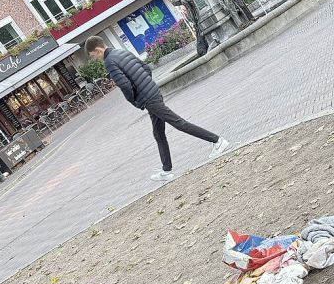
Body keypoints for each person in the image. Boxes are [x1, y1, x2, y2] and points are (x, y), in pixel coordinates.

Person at [84, 35, 229, 181]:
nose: (95, 59)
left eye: (93, 56)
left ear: (97, 50)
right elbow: (146, 68)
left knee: (179, 123)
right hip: (153, 92)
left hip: (148, 98)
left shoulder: (109, 61)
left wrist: (135, 100)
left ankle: (217, 140)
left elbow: (125, 85)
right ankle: (166, 171)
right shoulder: (121, 52)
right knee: (158, 134)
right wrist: (146, 85)